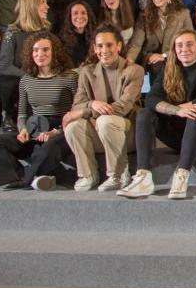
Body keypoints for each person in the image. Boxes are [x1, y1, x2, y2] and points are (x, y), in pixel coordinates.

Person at [118, 29, 196, 200]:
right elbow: (151, 99)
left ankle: (182, 175)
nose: (184, 49)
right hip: (178, 135)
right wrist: (177, 110)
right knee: (144, 113)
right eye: (179, 45)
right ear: (174, 49)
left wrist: (181, 109)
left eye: (189, 44)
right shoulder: (168, 69)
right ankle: (143, 176)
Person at [0, 31, 77, 190]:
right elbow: (22, 113)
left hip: (62, 129)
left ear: (54, 51)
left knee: (47, 149)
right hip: (35, 127)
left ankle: (28, 180)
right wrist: (22, 129)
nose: (39, 54)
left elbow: (75, 112)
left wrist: (55, 132)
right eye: (35, 50)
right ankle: (24, 177)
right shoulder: (26, 79)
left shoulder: (70, 77)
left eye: (45, 50)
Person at [62, 24, 145, 191]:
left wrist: (89, 110)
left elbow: (123, 107)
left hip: (127, 133)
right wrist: (92, 103)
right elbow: (76, 105)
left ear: (119, 46)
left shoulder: (134, 70)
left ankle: (119, 174)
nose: (104, 50)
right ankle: (88, 175)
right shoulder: (86, 72)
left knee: (105, 121)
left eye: (109, 45)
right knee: (73, 126)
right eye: (100, 46)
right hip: (99, 130)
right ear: (94, 48)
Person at [0, 0, 51, 132]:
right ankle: (8, 116)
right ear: (30, 6)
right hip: (10, 77)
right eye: (42, 2)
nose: (47, 6)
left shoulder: (45, 31)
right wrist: (29, 76)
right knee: (11, 81)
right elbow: (5, 66)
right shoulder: (13, 31)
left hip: (35, 76)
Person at [126, 0, 191, 69]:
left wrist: (164, 55)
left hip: (176, 55)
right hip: (152, 57)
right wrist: (129, 61)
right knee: (157, 66)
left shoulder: (183, 14)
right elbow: (136, 44)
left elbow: (190, 39)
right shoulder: (144, 15)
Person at [56, 0, 95, 69]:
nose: (80, 16)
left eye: (83, 13)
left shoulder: (95, 37)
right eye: (75, 13)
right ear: (70, 17)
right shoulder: (60, 40)